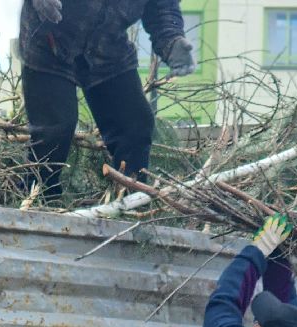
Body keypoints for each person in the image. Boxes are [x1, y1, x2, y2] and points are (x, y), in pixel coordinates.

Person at [19, 0, 195, 199]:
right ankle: (38, 199)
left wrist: (172, 40)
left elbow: (162, 7)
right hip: (50, 44)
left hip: (107, 48)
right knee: (55, 130)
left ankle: (128, 201)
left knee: (135, 125)